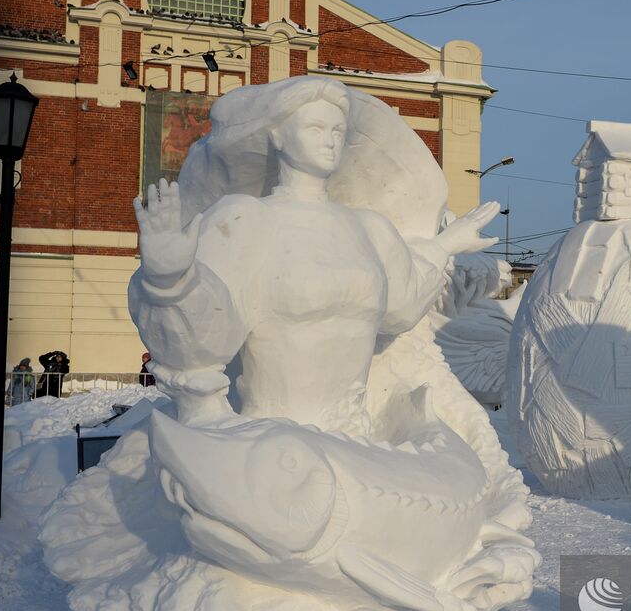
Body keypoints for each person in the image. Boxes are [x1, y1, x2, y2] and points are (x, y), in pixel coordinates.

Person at [130, 77, 498, 431]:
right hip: (274, 437)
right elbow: (209, 339)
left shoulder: (369, 228)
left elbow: (403, 305)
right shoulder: (246, 219)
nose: (330, 141)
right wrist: (171, 280)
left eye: (338, 131)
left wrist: (447, 244)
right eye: (315, 129)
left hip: (356, 437)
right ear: (277, 135)